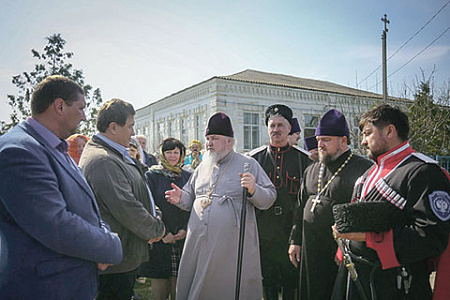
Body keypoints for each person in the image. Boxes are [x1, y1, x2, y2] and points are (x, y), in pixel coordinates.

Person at [0, 75, 122, 299]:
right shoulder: (19, 151)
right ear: (59, 106)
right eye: (81, 108)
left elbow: (84, 207)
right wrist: (110, 245)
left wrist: (103, 233)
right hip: (44, 289)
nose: (84, 117)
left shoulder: (53, 146)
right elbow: (54, 224)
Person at [331, 104, 450, 300]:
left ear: (389, 131)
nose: (363, 142)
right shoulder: (369, 173)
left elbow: (431, 237)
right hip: (358, 274)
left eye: (368, 133)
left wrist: (370, 238)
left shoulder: (424, 171)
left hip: (396, 284)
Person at [165, 112, 276, 299]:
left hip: (231, 246)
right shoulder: (202, 167)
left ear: (229, 142)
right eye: (208, 138)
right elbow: (190, 197)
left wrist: (253, 189)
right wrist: (180, 198)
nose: (208, 143)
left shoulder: (248, 164)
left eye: (214, 138)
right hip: (199, 242)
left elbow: (270, 197)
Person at [79, 99, 166, 300]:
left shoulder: (114, 155)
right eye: (130, 126)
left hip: (124, 255)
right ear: (113, 127)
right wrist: (156, 229)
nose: (133, 133)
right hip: (115, 263)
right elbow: (127, 208)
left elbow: (140, 191)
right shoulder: (103, 160)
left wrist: (156, 214)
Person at [288, 109, 373, 299]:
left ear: (343, 141)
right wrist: (295, 241)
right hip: (310, 252)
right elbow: (300, 207)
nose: (320, 145)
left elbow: (364, 215)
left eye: (326, 140)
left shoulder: (363, 169)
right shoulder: (312, 170)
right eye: (318, 140)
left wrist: (345, 249)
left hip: (340, 253)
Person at [249, 104, 311, 299]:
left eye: (281, 125)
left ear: (289, 128)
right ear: (267, 128)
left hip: (290, 234)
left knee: (291, 284)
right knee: (267, 284)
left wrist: (298, 237)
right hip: (263, 235)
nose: (276, 129)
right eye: (272, 125)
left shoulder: (304, 161)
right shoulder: (254, 160)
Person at [139, 138, 191, 300]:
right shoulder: (151, 176)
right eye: (169, 152)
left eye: (176, 152)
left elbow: (192, 205)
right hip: (161, 237)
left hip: (182, 238)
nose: (173, 156)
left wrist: (184, 229)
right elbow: (149, 205)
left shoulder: (188, 176)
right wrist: (164, 232)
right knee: (160, 283)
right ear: (162, 153)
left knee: (179, 283)